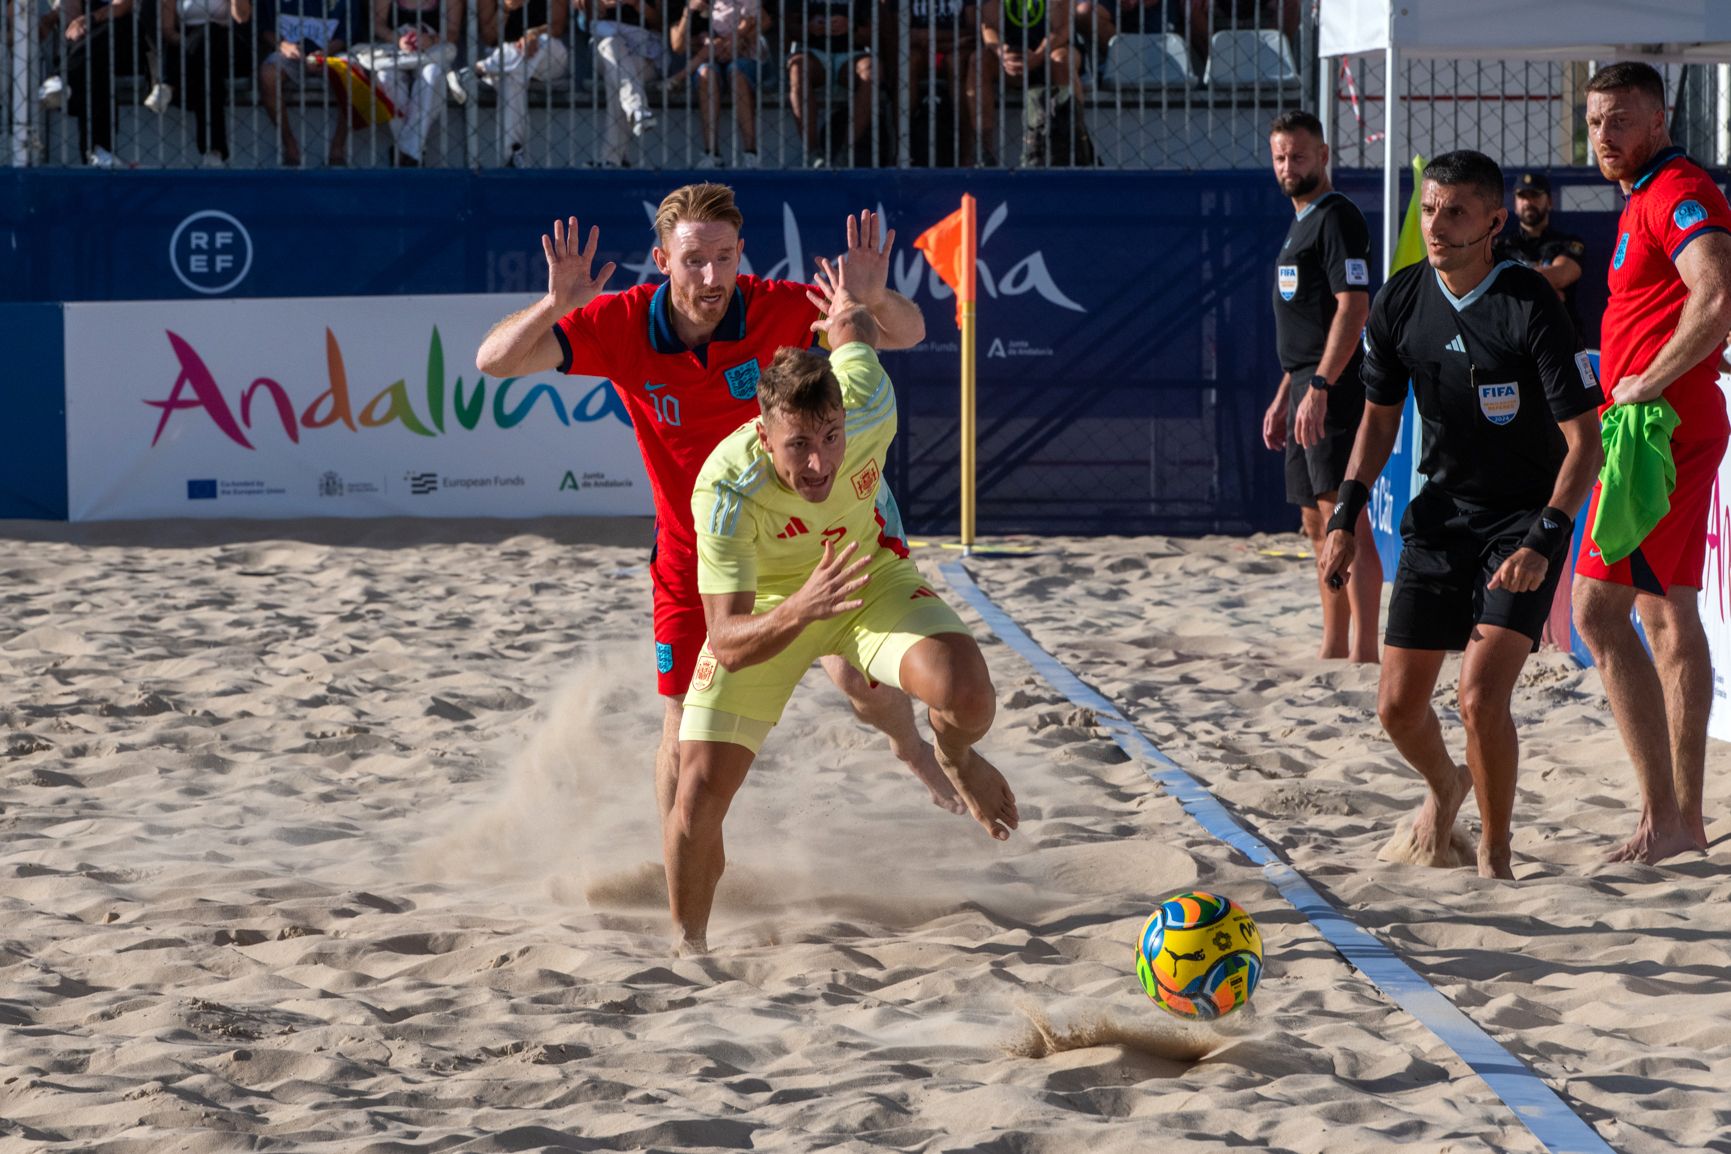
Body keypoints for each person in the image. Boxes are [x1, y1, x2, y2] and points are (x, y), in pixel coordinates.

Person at [474, 188, 964, 898]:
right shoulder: (619, 322)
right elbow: (494, 361)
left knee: (861, 680)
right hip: (693, 549)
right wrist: (556, 304)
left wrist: (875, 297)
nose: (711, 277)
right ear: (660, 260)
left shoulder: (779, 306)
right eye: (693, 260)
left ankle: (910, 747)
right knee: (681, 720)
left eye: (724, 258)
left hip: (807, 531)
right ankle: (685, 851)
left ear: (741, 255)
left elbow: (909, 332)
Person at [670, 245, 1019, 951]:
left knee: (967, 693)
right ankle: (688, 953)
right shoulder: (725, 486)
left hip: (864, 578)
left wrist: (854, 300)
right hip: (775, 605)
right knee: (696, 799)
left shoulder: (866, 404)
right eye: (797, 445)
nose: (819, 461)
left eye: (829, 438)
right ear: (763, 437)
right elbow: (727, 636)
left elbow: (855, 337)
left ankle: (951, 754)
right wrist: (801, 607)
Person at [1320, 150, 1603, 880]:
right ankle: (1445, 784)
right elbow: (1379, 423)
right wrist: (1345, 513)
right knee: (1395, 708)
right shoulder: (1400, 299)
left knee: (1479, 698)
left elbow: (1585, 444)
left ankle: (1495, 856)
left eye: (1454, 212)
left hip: (1520, 523)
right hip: (1441, 516)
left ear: (1493, 222)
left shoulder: (1527, 302)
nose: (1436, 225)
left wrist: (1545, 537)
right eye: (1428, 210)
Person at [1572, 62, 1731, 865]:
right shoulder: (1647, 193)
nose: (1604, 135)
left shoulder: (1675, 187)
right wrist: (1691, 356)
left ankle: (1664, 818)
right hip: (1667, 417)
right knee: (1665, 612)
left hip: (1652, 430)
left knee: (1595, 612)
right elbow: (1697, 305)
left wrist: (1653, 376)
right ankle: (1683, 823)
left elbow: (1712, 291)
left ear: (1659, 120)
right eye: (1595, 120)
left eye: (1621, 120)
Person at [1261, 109, 1379, 663]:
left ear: (1324, 156)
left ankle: (1363, 653)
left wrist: (1323, 384)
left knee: (1343, 517)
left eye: (1299, 155)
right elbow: (1306, 318)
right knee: (1314, 519)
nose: (1289, 165)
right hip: (1307, 378)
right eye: (1280, 156)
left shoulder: (1336, 217)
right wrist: (1288, 391)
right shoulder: (1300, 219)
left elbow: (1354, 307)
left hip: (1334, 383)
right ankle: (1334, 644)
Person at [977, 0, 1092, 167]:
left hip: (1053, 49)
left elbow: (1062, 29)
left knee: (1061, 59)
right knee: (978, 61)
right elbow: (989, 29)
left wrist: (1037, 56)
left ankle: (1074, 145)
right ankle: (984, 153)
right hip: (1012, 58)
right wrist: (1002, 54)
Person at [459, 0, 570, 167]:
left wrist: (535, 33)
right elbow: (489, 37)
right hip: (507, 57)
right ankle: (512, 155)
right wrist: (505, 9)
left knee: (543, 41)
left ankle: (477, 70)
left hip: (547, 55)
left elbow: (558, 26)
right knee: (510, 77)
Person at [258, 0, 360, 167]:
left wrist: (323, 54)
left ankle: (337, 148)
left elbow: (347, 34)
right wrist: (283, 46)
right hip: (288, 52)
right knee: (268, 74)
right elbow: (264, 28)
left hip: (332, 53)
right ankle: (290, 146)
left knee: (354, 74)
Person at [363, 0, 461, 165]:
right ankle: (414, 153)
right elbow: (377, 24)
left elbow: (453, 32)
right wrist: (398, 39)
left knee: (433, 75)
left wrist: (432, 39)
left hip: (432, 54)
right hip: (396, 53)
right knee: (386, 77)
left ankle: (403, 152)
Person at [668, 0, 764, 168]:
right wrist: (689, 12)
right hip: (707, 58)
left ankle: (751, 153)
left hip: (742, 53)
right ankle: (712, 153)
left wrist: (735, 40)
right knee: (706, 73)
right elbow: (678, 46)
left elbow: (759, 20)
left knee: (736, 71)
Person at [159, 0, 254, 167]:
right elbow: (167, 30)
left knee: (209, 32)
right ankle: (213, 152)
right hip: (188, 47)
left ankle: (169, 83)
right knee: (206, 72)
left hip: (225, 42)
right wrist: (188, 43)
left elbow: (242, 18)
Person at [1494, 171, 1588, 338]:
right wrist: (1547, 289)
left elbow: (1561, 275)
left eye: (1535, 196)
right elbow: (1482, 282)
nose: (1529, 202)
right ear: (1515, 205)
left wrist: (1505, 281)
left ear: (1549, 202)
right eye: (1522, 197)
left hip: (1558, 334)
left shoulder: (1568, 243)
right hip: (1511, 335)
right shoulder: (1498, 244)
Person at [893, 0, 985, 168]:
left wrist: (930, 37)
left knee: (955, 63)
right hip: (922, 52)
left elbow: (973, 32)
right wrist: (944, 39)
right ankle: (904, 151)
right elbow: (903, 34)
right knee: (908, 62)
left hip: (956, 51)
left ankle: (966, 154)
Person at [785, 0, 874, 168]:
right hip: (812, 54)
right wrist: (809, 28)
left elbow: (876, 34)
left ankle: (846, 152)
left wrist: (851, 27)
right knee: (797, 68)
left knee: (872, 70)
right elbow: (787, 28)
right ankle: (813, 153)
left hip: (853, 55)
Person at [60, 0, 142, 167]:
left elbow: (122, 7)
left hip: (126, 39)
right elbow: (71, 18)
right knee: (91, 65)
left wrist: (87, 19)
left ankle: (60, 79)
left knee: (103, 39)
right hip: (89, 46)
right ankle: (99, 151)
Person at [587, 0, 664, 168]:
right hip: (604, 51)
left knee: (618, 74)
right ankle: (637, 108)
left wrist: (637, 4)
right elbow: (582, 20)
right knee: (611, 47)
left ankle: (612, 159)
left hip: (643, 55)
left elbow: (661, 23)